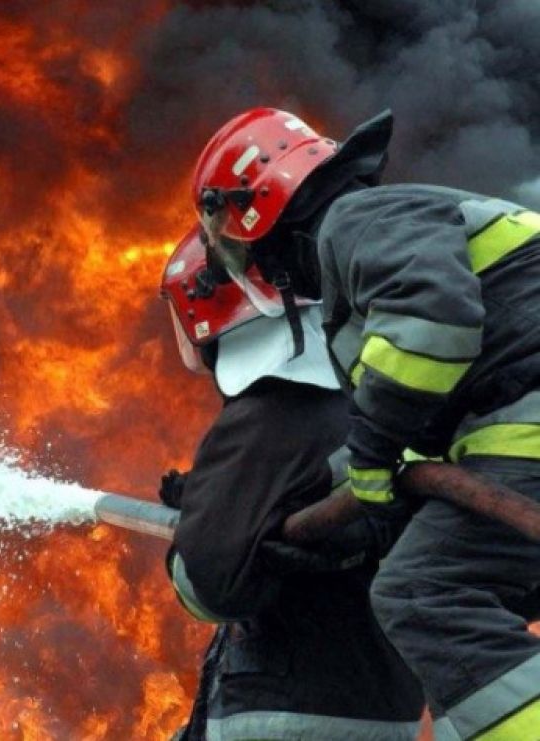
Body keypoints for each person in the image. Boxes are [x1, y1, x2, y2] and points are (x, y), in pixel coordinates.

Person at [189, 106, 540, 740]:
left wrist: (372, 453)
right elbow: (421, 436)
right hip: (511, 426)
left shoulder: (354, 221)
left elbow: (433, 327)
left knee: (421, 594)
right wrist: (340, 503)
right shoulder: (379, 235)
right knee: (483, 594)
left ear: (255, 210)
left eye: (235, 244)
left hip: (525, 422)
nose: (251, 264)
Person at [158, 227, 424, 740]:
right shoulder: (371, 408)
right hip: (384, 709)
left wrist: (195, 534)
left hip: (285, 710)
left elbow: (209, 585)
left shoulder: (268, 417)